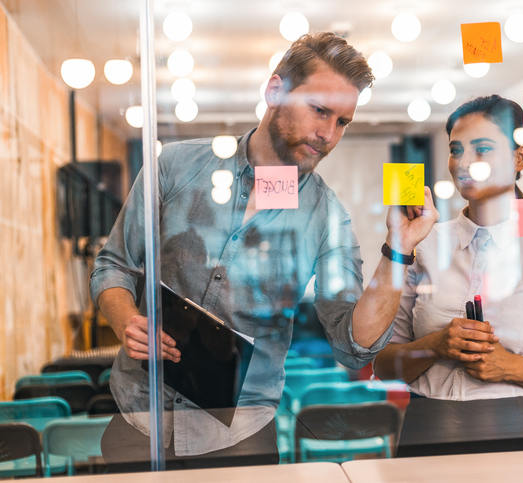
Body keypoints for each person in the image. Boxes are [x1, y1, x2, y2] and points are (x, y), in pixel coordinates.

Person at [91, 32, 438, 471]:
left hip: (240, 437)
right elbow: (113, 267)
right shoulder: (174, 166)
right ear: (275, 90)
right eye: (319, 110)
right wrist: (128, 320)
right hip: (137, 418)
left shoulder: (328, 217)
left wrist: (399, 250)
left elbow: (355, 346)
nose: (328, 134)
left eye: (342, 122)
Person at [374, 95, 523, 404]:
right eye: (456, 150)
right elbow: (383, 365)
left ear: (519, 158)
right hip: (431, 432)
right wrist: (435, 345)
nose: (463, 164)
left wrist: (510, 366)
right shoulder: (423, 245)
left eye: (482, 149)